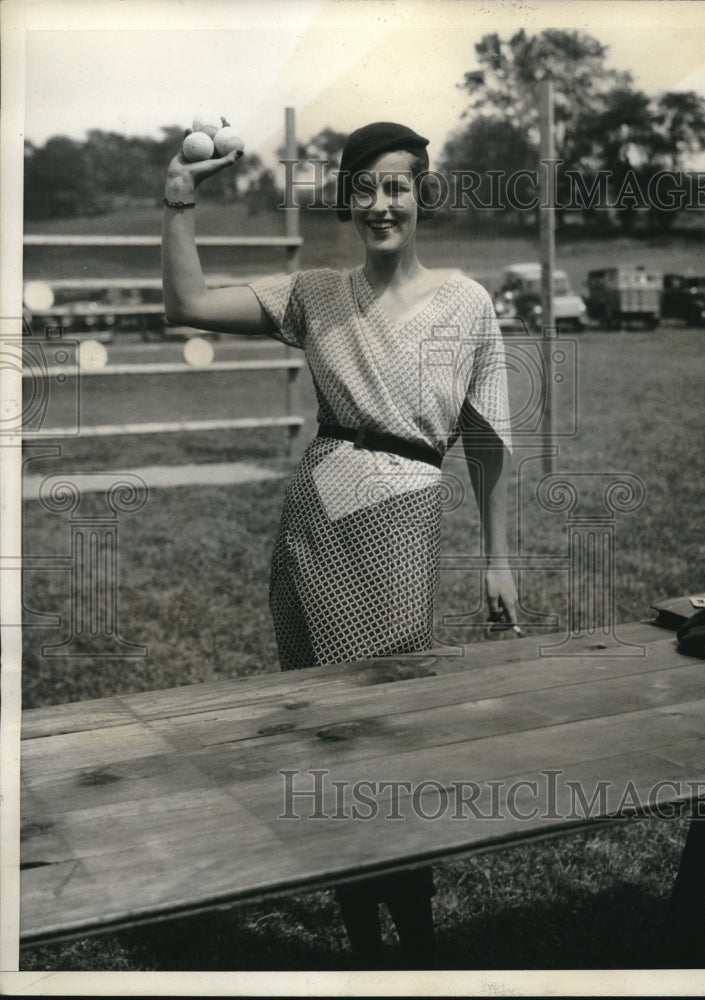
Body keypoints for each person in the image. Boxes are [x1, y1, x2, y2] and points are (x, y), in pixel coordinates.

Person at [162, 121, 519, 969]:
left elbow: (490, 441)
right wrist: (178, 197)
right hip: (313, 528)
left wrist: (497, 556)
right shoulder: (314, 294)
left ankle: (420, 944)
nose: (381, 202)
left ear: (421, 195)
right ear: (346, 199)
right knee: (324, 741)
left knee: (389, 739)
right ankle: (362, 943)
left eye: (397, 185)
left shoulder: (467, 303)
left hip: (402, 520)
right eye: (365, 186)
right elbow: (186, 305)